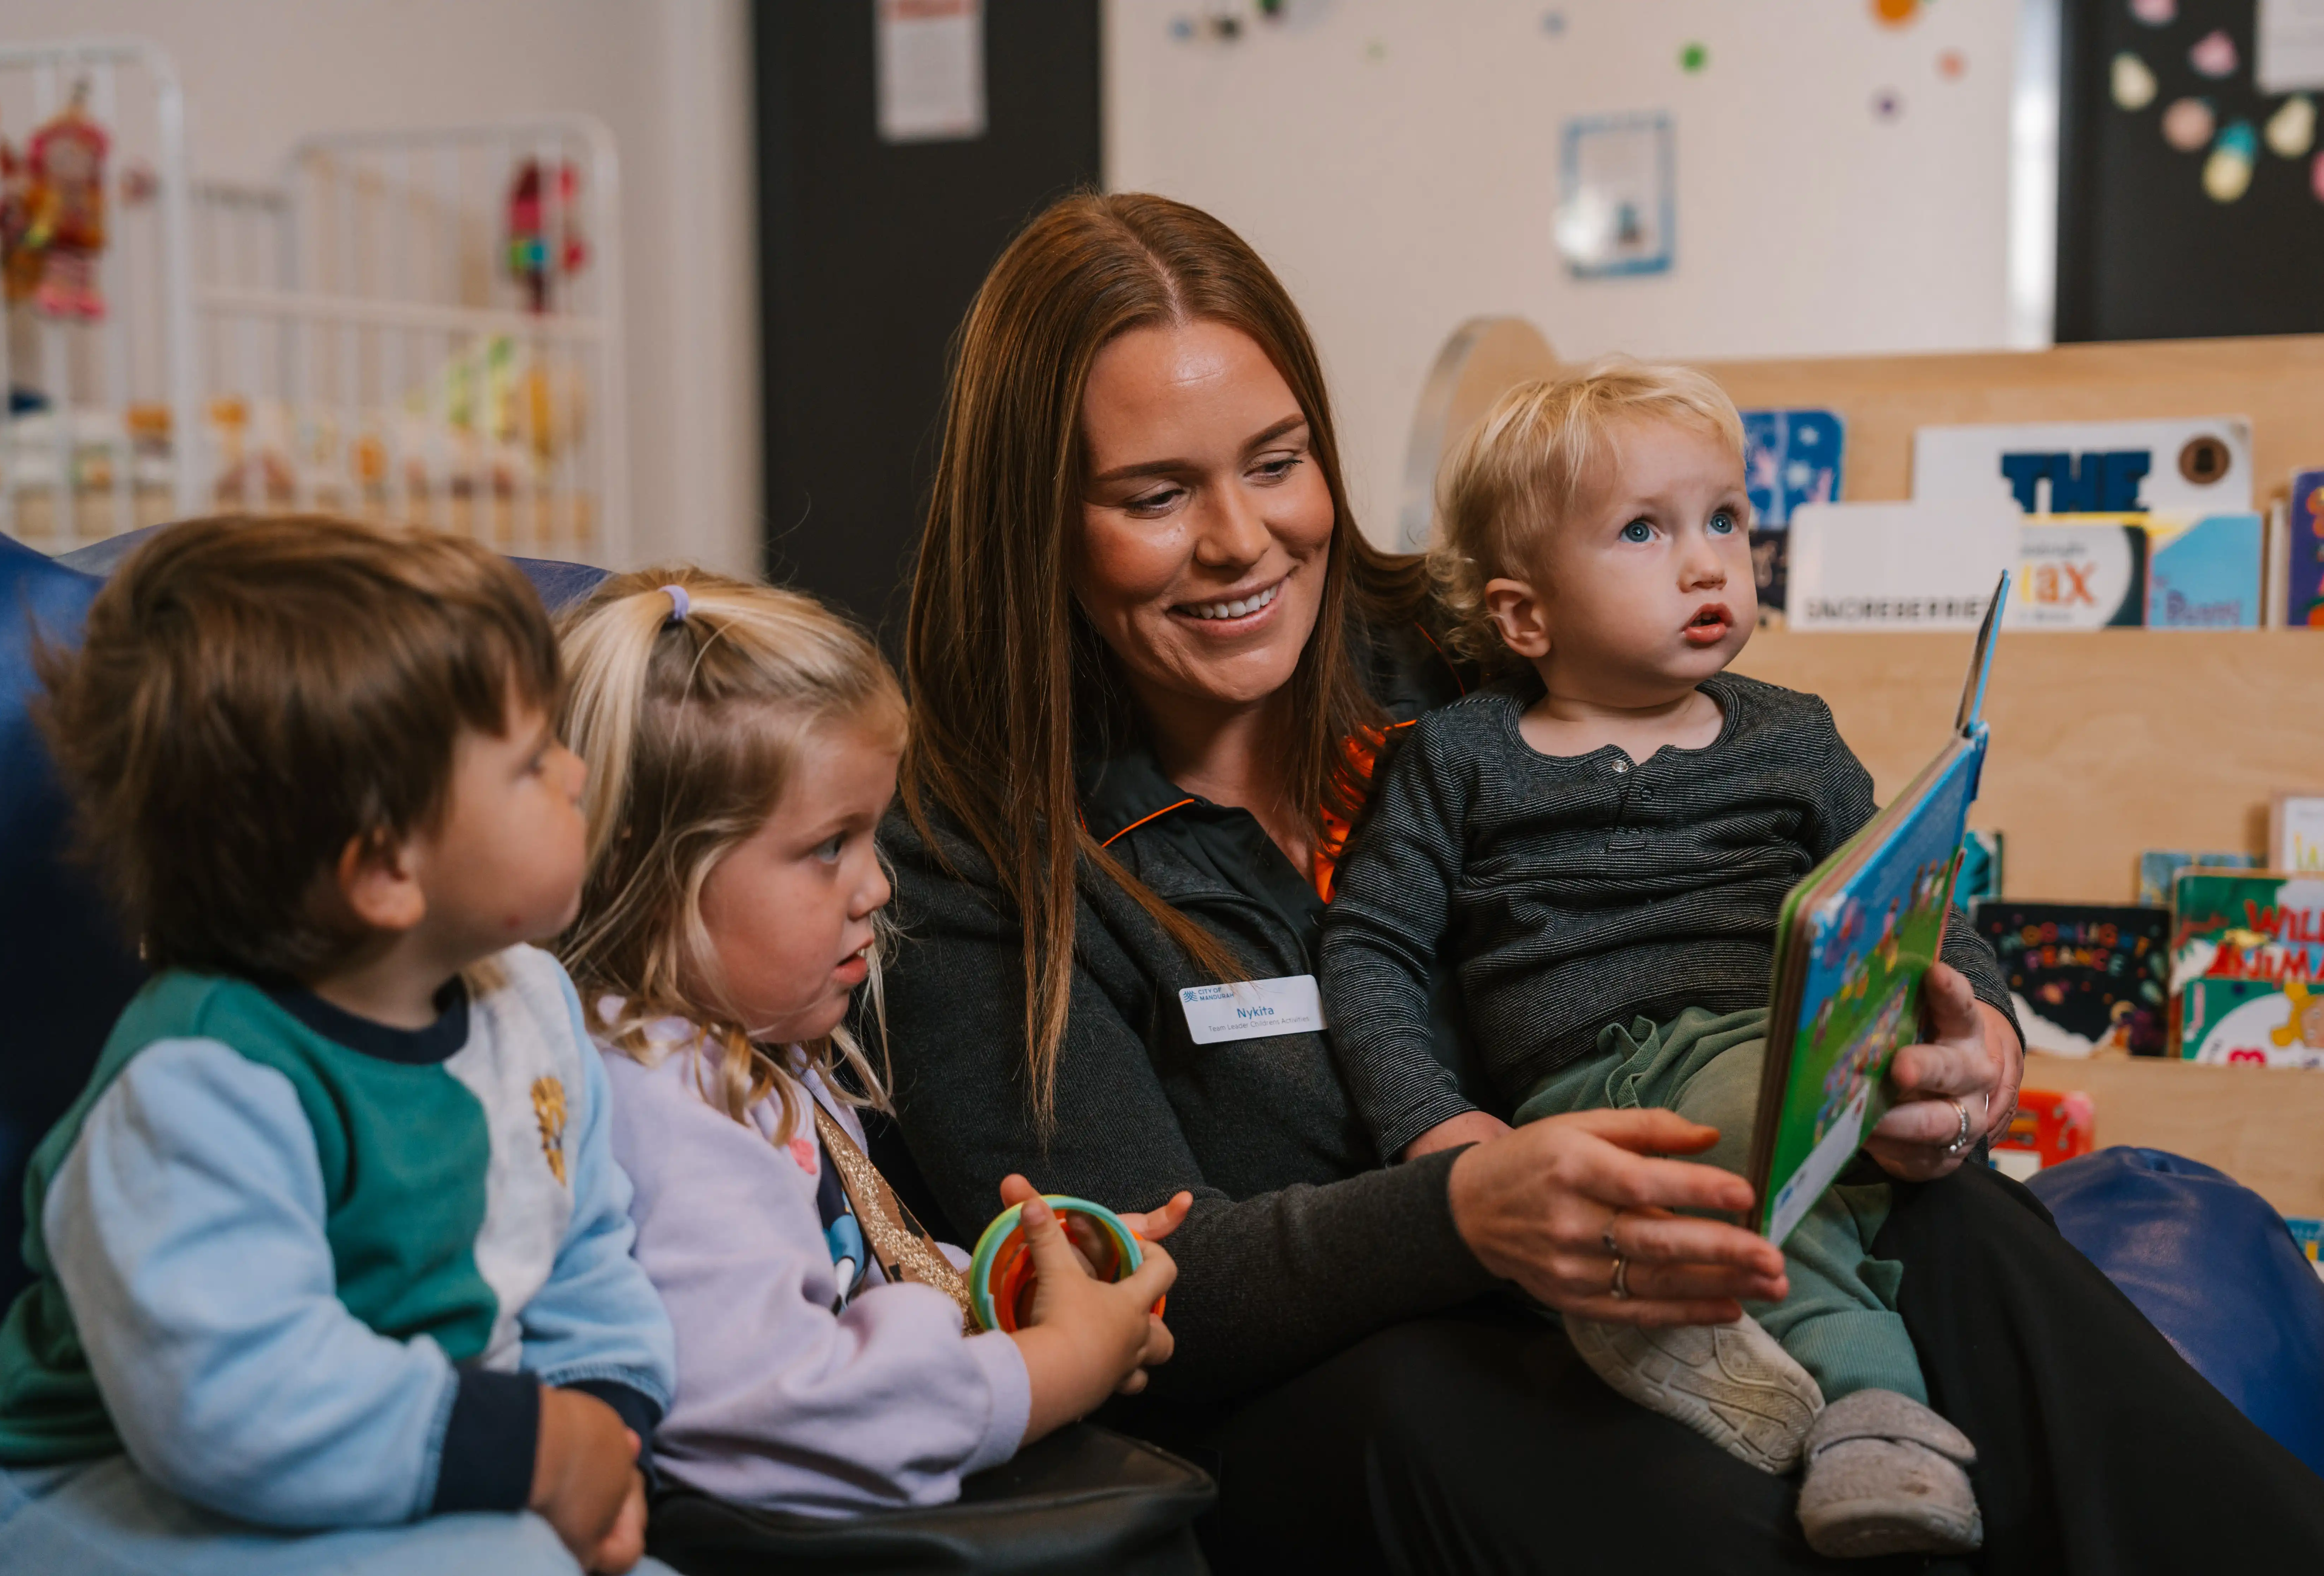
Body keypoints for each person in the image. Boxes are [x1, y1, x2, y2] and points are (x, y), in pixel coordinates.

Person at [877, 189, 2324, 1574]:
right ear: (1037, 522)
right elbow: (1132, 1278)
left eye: (1276, 461)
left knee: (1946, 1218)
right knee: (1447, 1415)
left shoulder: (1466, 641)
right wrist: (1464, 1210)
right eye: (1154, 494)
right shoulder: (966, 851)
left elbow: (1814, 832)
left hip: (1661, 1240)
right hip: (1345, 1389)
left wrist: (1974, 1027)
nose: (1242, 539)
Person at [1319, 363, 2003, 1557]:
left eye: (1725, 519)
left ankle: (1804, 1384)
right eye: (1644, 530)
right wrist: (1435, 1126)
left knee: (1793, 1143)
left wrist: (1977, 1017)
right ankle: (1853, 1404)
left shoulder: (1794, 733)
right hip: (1578, 1094)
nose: (1707, 565)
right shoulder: (1458, 757)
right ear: (1525, 617)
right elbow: (1369, 947)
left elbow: (1912, 901)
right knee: (1647, 1203)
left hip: (1767, 1047)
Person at [0, 515, 677, 1575]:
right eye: (532, 762)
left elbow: (584, 1260)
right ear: (383, 872)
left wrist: (606, 1433)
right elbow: (232, 1400)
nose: (576, 774)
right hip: (95, 1486)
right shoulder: (199, 1088)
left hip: (404, 1467)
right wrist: (532, 1449)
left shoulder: (531, 1007)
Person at [552, 567, 1181, 1517]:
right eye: (827, 847)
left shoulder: (751, 1052)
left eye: (870, 836)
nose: (877, 887)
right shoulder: (663, 1103)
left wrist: (1015, 1284)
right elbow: (782, 1415)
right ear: (648, 867)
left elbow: (842, 1275)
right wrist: (1056, 1365)